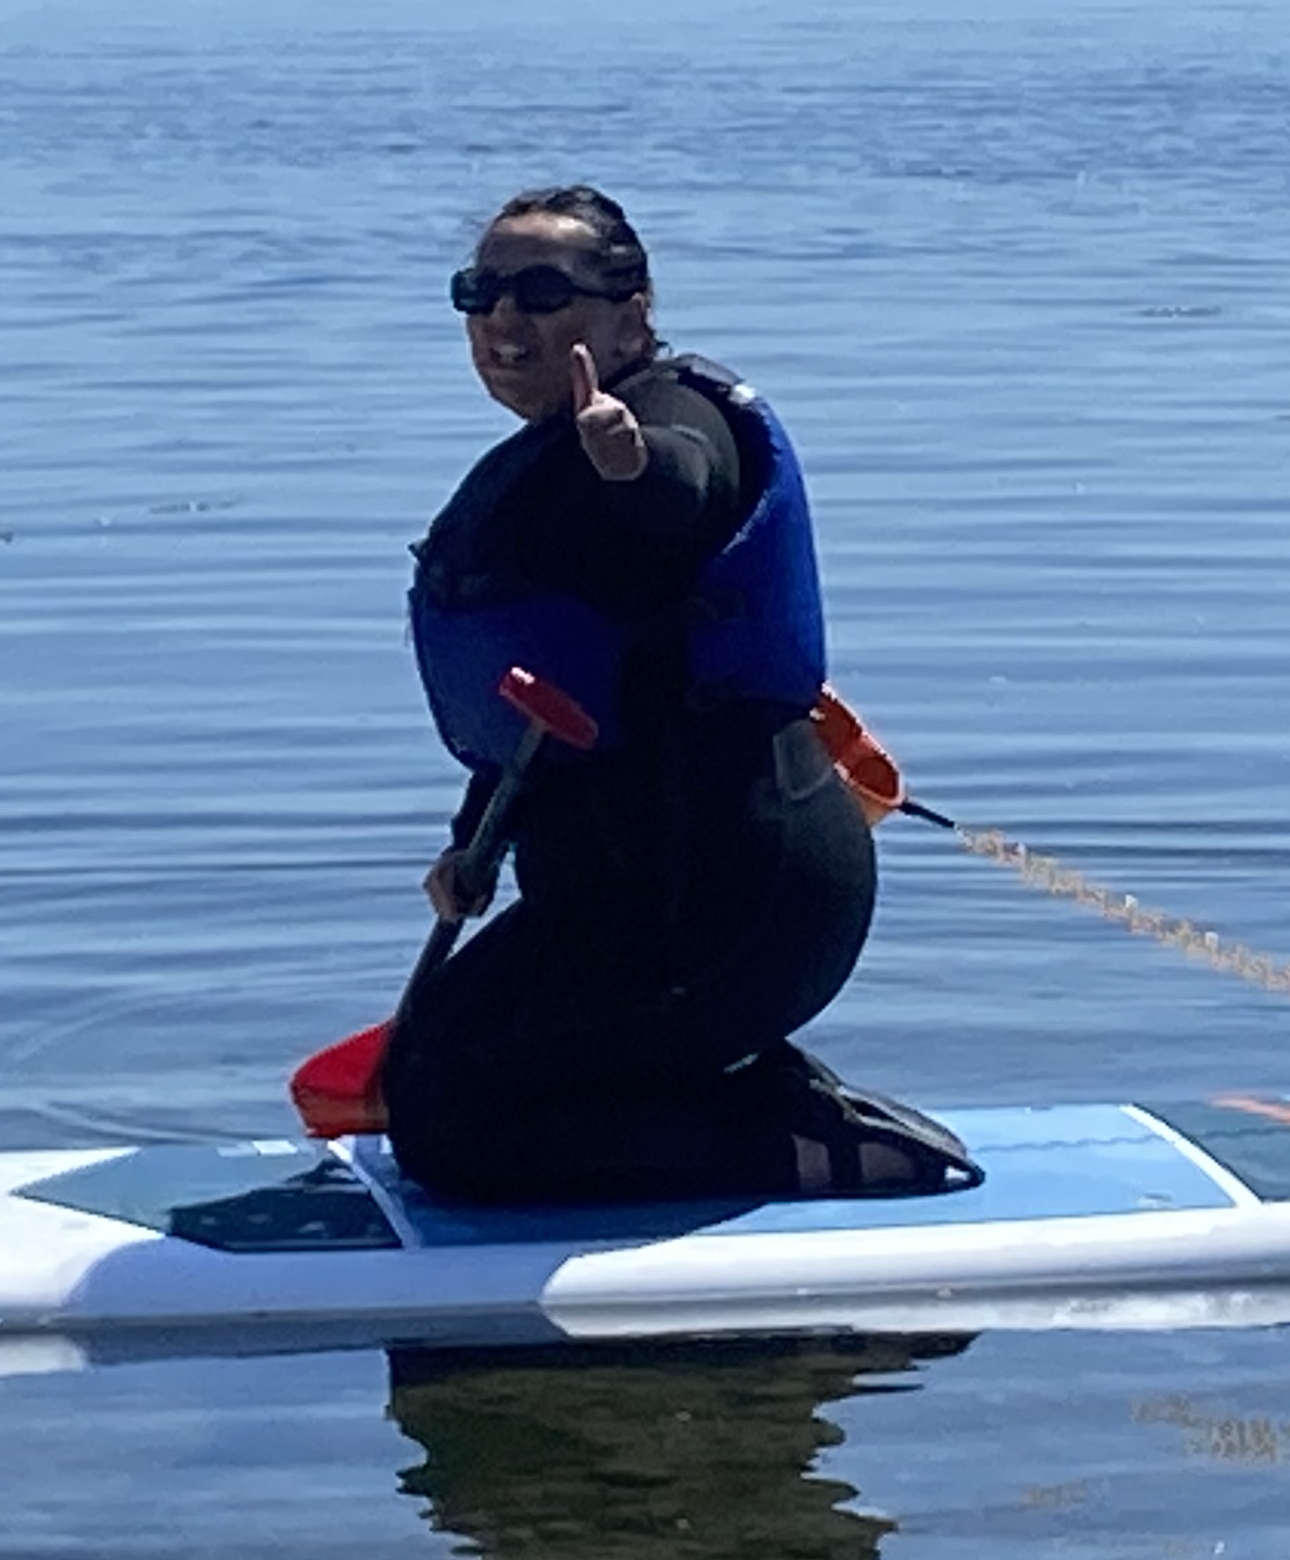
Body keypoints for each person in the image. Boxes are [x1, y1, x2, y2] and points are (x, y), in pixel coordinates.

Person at [385, 184, 973, 1206]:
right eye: (481, 293)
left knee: (455, 1124)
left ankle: (824, 1149)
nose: (504, 321)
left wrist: (630, 458)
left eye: (540, 291)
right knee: (423, 1077)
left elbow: (681, 487)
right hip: (618, 893)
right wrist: (474, 843)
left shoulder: (672, 416)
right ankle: (739, 1087)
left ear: (632, 310)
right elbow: (549, 701)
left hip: (738, 901)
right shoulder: (537, 468)